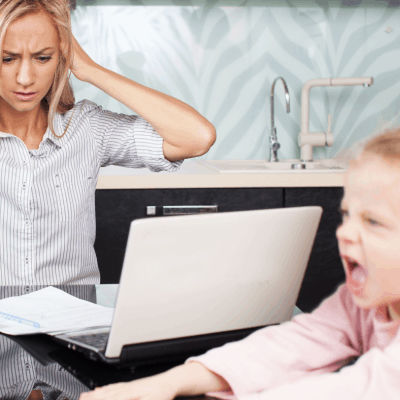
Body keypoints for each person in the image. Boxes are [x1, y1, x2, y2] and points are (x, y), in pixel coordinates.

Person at [80, 127, 400, 400]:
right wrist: (166, 383)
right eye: (346, 214)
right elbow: (287, 348)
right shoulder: (361, 306)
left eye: (373, 221)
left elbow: (360, 389)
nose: (344, 232)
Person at [0, 0, 216, 286]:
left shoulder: (87, 128)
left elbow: (197, 137)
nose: (25, 78)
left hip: (71, 318)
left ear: (61, 56)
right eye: (7, 59)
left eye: (43, 58)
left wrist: (88, 68)